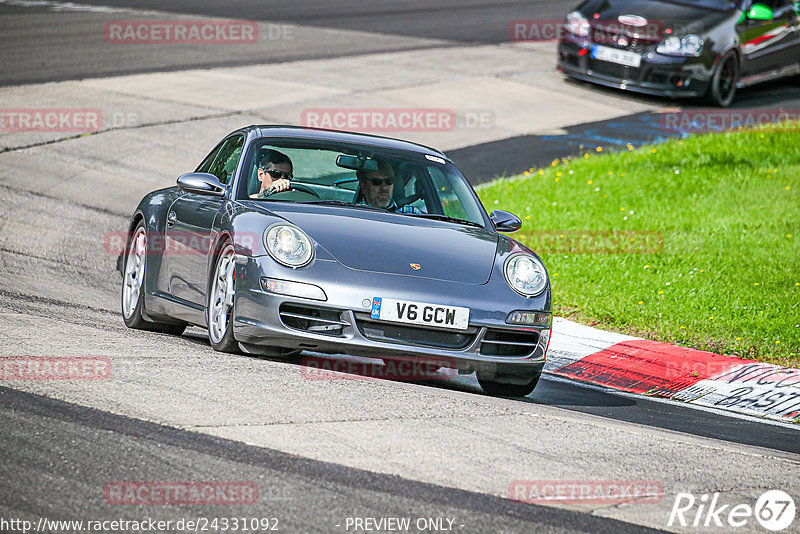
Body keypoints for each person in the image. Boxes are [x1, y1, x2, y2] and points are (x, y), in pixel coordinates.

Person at [356, 159, 421, 213]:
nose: (384, 187)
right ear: (363, 186)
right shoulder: (355, 213)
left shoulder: (412, 213)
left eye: (389, 181)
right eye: (377, 182)